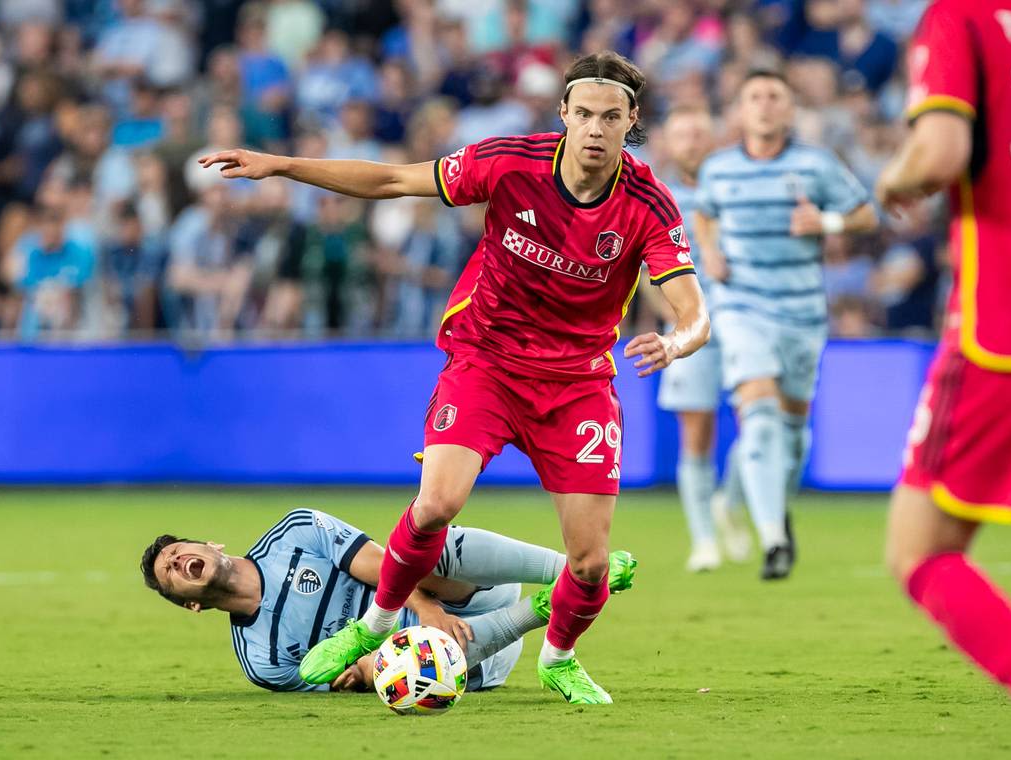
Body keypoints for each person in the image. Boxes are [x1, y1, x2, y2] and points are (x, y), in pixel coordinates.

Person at [201, 50, 709, 704]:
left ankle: (558, 657)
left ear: (630, 121)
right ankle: (374, 626)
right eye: (583, 113)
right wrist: (283, 167)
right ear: (563, 114)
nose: (594, 128)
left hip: (576, 383)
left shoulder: (648, 205)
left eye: (610, 117)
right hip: (487, 362)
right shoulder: (511, 162)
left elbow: (697, 314)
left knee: (588, 563)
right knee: (437, 502)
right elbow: (389, 182)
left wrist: (676, 342)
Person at [877, 0, 1011, 700]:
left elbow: (941, 154)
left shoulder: (960, 17)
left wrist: (893, 177)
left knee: (920, 550)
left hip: (1004, 322)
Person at [692, 70, 878, 580]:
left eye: (776, 97)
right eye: (755, 96)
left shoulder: (815, 165)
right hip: (742, 306)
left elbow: (867, 212)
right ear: (740, 110)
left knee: (793, 433)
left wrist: (828, 222)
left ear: (790, 109)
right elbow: (704, 216)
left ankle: (735, 499)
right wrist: (709, 250)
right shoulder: (720, 168)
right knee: (762, 414)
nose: (766, 105)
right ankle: (775, 538)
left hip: (802, 312)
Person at [140, 509, 636, 693]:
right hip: (469, 659)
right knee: (388, 665)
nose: (180, 562)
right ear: (191, 605)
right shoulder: (262, 663)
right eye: (171, 572)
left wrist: (427, 608)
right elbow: (345, 680)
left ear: (212, 545)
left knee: (422, 543)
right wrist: (372, 664)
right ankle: (541, 611)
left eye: (181, 551)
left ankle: (570, 570)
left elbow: (382, 564)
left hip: (463, 591)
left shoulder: (294, 532)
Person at [653, 105, 751, 573]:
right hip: (689, 329)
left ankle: (729, 499)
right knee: (698, 431)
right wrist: (672, 326)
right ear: (669, 145)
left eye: (698, 130)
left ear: (712, 138)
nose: (691, 140)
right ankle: (704, 541)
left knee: (763, 421)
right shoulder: (656, 197)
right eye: (682, 133)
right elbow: (638, 271)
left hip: (743, 321)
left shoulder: (736, 191)